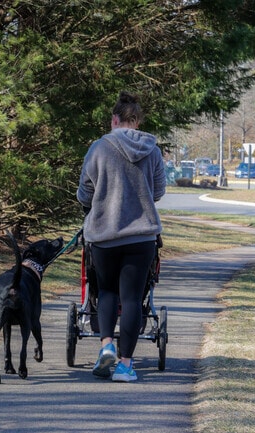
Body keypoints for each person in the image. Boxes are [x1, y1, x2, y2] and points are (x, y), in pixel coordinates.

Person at [77, 91, 166, 382]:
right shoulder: (152, 150)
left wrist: (96, 203)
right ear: (136, 121)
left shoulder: (99, 148)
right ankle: (125, 366)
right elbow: (158, 192)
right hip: (141, 236)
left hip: (104, 235)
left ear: (114, 119)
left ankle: (106, 346)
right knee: (131, 299)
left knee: (106, 292)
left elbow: (85, 192)